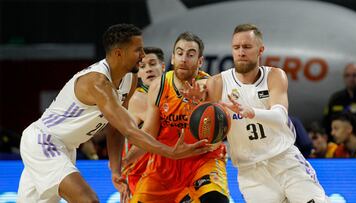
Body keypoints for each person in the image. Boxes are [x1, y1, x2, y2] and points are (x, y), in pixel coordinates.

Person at [17, 24, 210, 203]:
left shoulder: (130, 77)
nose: (143, 55)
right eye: (138, 50)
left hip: (66, 147)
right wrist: (170, 152)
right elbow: (129, 130)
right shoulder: (97, 83)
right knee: (89, 200)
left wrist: (116, 170)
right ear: (119, 53)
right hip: (44, 141)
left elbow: (116, 128)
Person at [199, 24, 328, 202]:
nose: (241, 52)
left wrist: (252, 112)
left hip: (285, 161)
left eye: (247, 47)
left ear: (260, 50)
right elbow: (208, 130)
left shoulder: (274, 76)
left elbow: (281, 116)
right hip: (251, 172)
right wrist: (194, 105)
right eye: (236, 47)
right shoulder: (218, 83)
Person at [128, 32, 229, 203]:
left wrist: (198, 104)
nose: (184, 59)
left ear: (200, 61)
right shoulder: (159, 86)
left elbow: (216, 139)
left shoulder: (210, 85)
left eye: (190, 55)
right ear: (173, 58)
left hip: (202, 162)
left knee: (215, 200)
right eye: (180, 53)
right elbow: (149, 133)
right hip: (164, 166)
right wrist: (125, 161)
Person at [123, 46, 165, 196]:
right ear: (138, 73)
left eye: (153, 64)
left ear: (163, 67)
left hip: (161, 172)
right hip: (139, 173)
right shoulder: (138, 98)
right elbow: (165, 127)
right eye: (142, 66)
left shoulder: (168, 94)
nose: (148, 69)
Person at [323, 63, 356, 135]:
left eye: (355, 75)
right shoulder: (336, 98)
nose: (351, 78)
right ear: (344, 77)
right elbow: (326, 123)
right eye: (347, 75)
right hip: (338, 142)